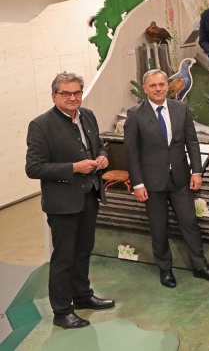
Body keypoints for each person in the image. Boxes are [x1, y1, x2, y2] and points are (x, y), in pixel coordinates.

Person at [25, 72, 115, 329]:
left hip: (89, 196)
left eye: (77, 92)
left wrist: (103, 156)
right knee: (64, 257)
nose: (73, 97)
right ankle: (62, 311)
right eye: (66, 93)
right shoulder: (41, 125)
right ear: (54, 96)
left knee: (84, 251)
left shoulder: (88, 115)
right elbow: (34, 168)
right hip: (62, 204)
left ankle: (83, 295)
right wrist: (73, 167)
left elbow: (99, 145)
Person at [125, 69, 209, 288]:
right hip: (152, 184)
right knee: (159, 228)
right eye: (153, 86)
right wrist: (138, 183)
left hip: (180, 179)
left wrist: (197, 171)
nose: (159, 89)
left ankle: (200, 266)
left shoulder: (181, 108)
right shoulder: (135, 115)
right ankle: (165, 270)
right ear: (145, 89)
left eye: (161, 84)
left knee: (190, 223)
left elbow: (192, 142)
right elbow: (131, 153)